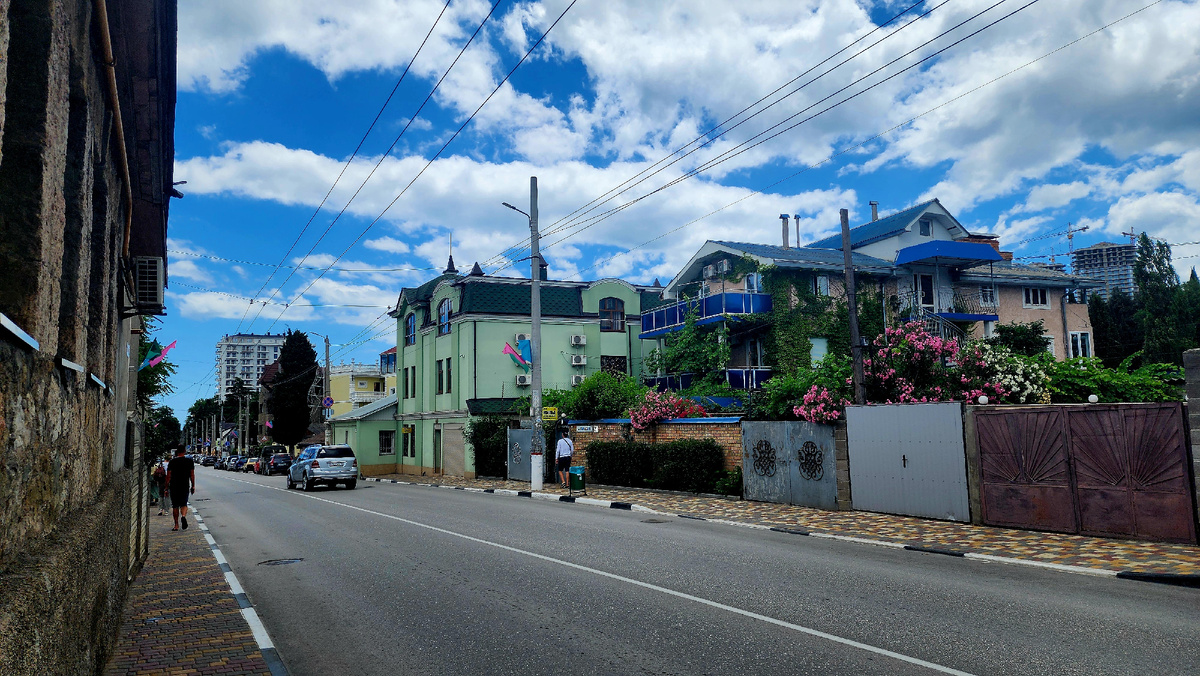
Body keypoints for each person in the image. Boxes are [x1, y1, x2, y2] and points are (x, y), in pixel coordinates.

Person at [165, 446, 196, 531]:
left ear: (177, 452)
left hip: (174, 486)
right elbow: (192, 475)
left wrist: (166, 488)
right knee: (184, 504)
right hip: (184, 485)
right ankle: (183, 516)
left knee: (175, 506)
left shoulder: (172, 462)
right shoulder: (189, 461)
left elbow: (168, 476)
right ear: (185, 451)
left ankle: (176, 525)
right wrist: (193, 485)